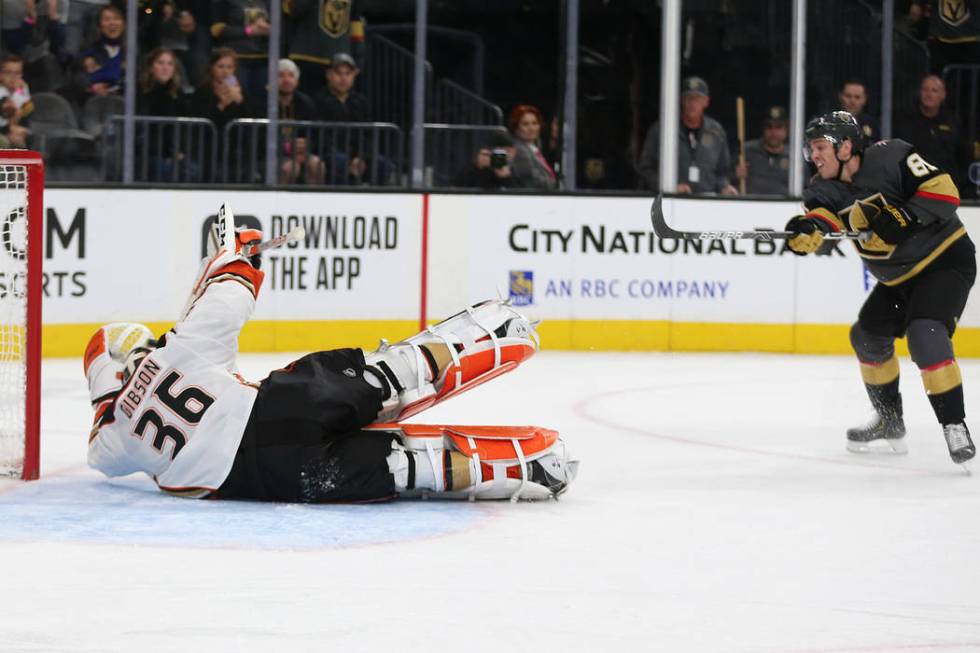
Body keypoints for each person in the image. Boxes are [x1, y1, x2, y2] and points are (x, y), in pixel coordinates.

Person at [84, 216, 577, 502]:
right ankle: (496, 331)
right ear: (133, 351)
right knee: (393, 374)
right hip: (282, 408)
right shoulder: (178, 351)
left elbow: (100, 460)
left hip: (268, 481)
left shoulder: (115, 438)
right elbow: (228, 300)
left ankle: (535, 468)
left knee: (407, 467)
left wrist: (107, 400)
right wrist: (240, 255)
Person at [784, 111, 975, 466]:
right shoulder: (822, 188)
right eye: (811, 149)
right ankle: (890, 421)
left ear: (846, 146)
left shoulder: (891, 156)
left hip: (945, 263)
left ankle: (954, 424)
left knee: (926, 333)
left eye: (820, 147)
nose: (815, 156)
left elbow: (945, 192)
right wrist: (807, 230)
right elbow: (823, 221)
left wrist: (908, 216)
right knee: (867, 337)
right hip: (897, 280)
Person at [637, 76, 737, 195]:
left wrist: (724, 187)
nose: (692, 103)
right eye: (688, 98)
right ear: (681, 100)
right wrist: (668, 187)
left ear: (706, 102)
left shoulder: (716, 132)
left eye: (698, 99)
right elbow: (646, 168)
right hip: (671, 201)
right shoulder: (662, 129)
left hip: (707, 203)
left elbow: (722, 172)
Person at [894, 74, 971, 196]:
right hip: (914, 188)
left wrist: (958, 183)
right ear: (919, 93)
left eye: (934, 91)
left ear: (943, 95)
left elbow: (964, 155)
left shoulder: (953, 121)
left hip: (947, 188)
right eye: (925, 90)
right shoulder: (906, 121)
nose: (929, 94)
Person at [186, 48, 250, 180]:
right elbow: (200, 120)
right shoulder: (203, 91)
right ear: (212, 68)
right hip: (207, 149)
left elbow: (248, 121)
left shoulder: (240, 92)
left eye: (229, 67)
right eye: (220, 66)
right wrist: (221, 105)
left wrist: (240, 101)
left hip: (234, 150)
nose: (225, 71)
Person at [284, 0, 366, 96]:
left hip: (339, 65)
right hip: (305, 59)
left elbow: (356, 25)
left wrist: (359, 58)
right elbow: (291, 9)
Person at [210, 0, 270, 98]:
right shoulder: (223, 2)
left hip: (262, 60)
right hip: (236, 61)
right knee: (236, 96)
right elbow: (218, 31)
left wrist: (267, 29)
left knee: (262, 99)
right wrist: (249, 30)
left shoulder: (266, 2)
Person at [734, 106, 790, 196]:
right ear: (763, 129)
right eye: (769, 127)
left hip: (784, 208)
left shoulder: (794, 157)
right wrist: (735, 175)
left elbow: (805, 189)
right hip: (750, 206)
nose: (773, 132)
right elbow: (724, 179)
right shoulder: (745, 151)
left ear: (787, 129)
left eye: (778, 127)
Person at [74, 4, 125, 99]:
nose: (112, 23)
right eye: (107, 19)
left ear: (123, 24)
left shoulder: (130, 52)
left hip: (122, 101)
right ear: (100, 26)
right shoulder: (89, 50)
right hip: (93, 100)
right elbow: (78, 76)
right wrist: (92, 88)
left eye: (116, 18)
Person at [507, 104, 558, 190]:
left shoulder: (535, 148)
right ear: (516, 128)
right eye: (525, 124)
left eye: (535, 123)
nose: (531, 128)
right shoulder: (520, 151)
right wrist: (557, 184)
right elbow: (534, 182)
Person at [452, 131, 522, 190]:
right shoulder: (477, 167)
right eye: (498, 152)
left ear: (514, 151)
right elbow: (457, 188)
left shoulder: (518, 167)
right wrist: (478, 167)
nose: (502, 157)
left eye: (508, 152)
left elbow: (523, 194)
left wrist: (506, 178)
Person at [0, 54, 33, 149]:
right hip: (3, 129)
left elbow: (28, 110)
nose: (13, 77)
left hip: (9, 129)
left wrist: (18, 92)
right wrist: (11, 128)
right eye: (8, 72)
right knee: (14, 140)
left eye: (17, 73)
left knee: (21, 138)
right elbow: (8, 110)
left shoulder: (21, 88)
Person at [837, 79, 878, 147]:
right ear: (840, 96)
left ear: (864, 99)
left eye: (857, 97)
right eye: (848, 96)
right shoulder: (827, 122)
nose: (852, 101)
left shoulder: (871, 124)